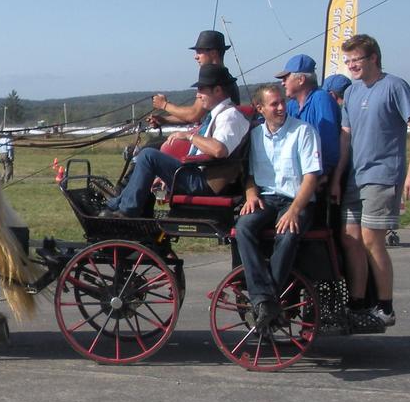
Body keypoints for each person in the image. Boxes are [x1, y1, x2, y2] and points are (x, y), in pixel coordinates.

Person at [331, 34, 410, 327]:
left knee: (373, 240)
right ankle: (358, 303)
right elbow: (346, 137)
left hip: (382, 174)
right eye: (347, 62)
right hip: (355, 176)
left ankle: (385, 306)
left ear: (373, 58)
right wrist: (337, 177)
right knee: (351, 239)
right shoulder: (352, 93)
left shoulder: (394, 86)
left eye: (356, 60)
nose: (351, 66)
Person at [101, 64, 249, 217]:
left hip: (207, 183)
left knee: (148, 156)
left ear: (217, 90)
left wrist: (188, 136)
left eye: (201, 90)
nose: (198, 95)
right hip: (201, 175)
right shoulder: (220, 115)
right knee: (148, 153)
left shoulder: (229, 116)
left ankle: (126, 210)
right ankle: (115, 204)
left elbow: (219, 150)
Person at [234, 84, 322, 330]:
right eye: (274, 104)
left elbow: (311, 177)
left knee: (287, 232)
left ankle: (267, 300)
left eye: (282, 102)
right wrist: (250, 193)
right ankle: (265, 298)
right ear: (260, 108)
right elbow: (249, 174)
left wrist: (294, 210)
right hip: (267, 199)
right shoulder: (254, 135)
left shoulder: (303, 131)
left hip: (297, 200)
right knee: (243, 227)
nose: (282, 107)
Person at [150, 30, 243, 126]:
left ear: (213, 53)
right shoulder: (225, 77)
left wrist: (164, 105)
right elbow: (195, 115)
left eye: (199, 52)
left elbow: (194, 114)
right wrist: (164, 120)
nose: (196, 57)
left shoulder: (216, 80)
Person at [276, 54, 341, 176]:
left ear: (300, 80)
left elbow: (328, 144)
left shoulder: (321, 99)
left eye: (286, 78)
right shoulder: (292, 105)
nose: (282, 83)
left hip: (320, 177)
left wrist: (323, 177)